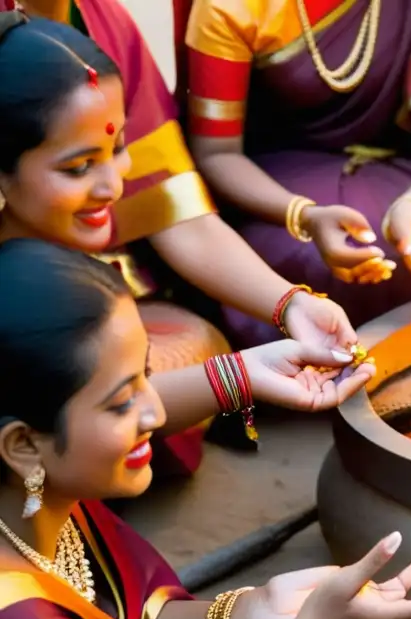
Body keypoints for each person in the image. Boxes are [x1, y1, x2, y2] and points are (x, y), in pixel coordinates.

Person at [0, 238, 411, 619]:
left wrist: (245, 614)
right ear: (22, 444)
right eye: (120, 403)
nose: (156, 414)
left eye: (147, 375)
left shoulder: (32, 493)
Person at [0, 9, 362, 477]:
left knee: (173, 352)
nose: (114, 186)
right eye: (78, 168)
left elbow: (175, 212)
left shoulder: (101, 23)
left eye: (120, 149)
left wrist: (291, 306)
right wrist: (240, 377)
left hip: (88, 300)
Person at [184, 0, 411, 347]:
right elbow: (217, 154)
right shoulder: (229, 8)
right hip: (286, 180)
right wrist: (305, 216)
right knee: (320, 255)